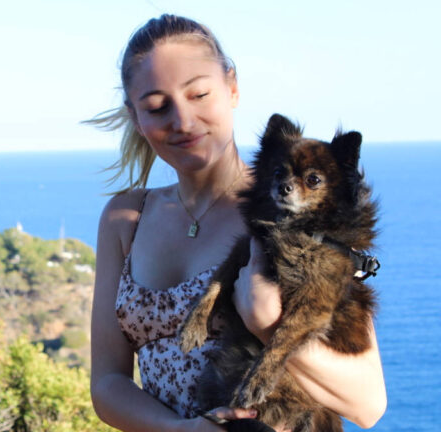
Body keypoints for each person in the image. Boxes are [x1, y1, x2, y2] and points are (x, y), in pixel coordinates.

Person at [89, 14, 387, 432]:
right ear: (135, 117)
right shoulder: (126, 218)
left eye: (199, 95)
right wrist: (184, 429)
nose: (183, 121)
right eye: (157, 107)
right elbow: (107, 383)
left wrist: (266, 323)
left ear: (232, 87)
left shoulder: (293, 214)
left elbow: (368, 404)